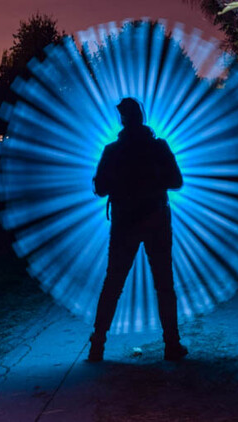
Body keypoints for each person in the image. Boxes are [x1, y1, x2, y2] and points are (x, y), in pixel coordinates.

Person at [88, 97, 187, 362]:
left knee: (113, 283)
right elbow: (177, 181)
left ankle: (97, 344)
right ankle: (172, 344)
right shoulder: (158, 147)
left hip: (125, 222)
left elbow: (99, 189)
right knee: (164, 284)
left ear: (123, 119)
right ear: (141, 117)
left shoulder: (112, 151)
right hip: (156, 218)